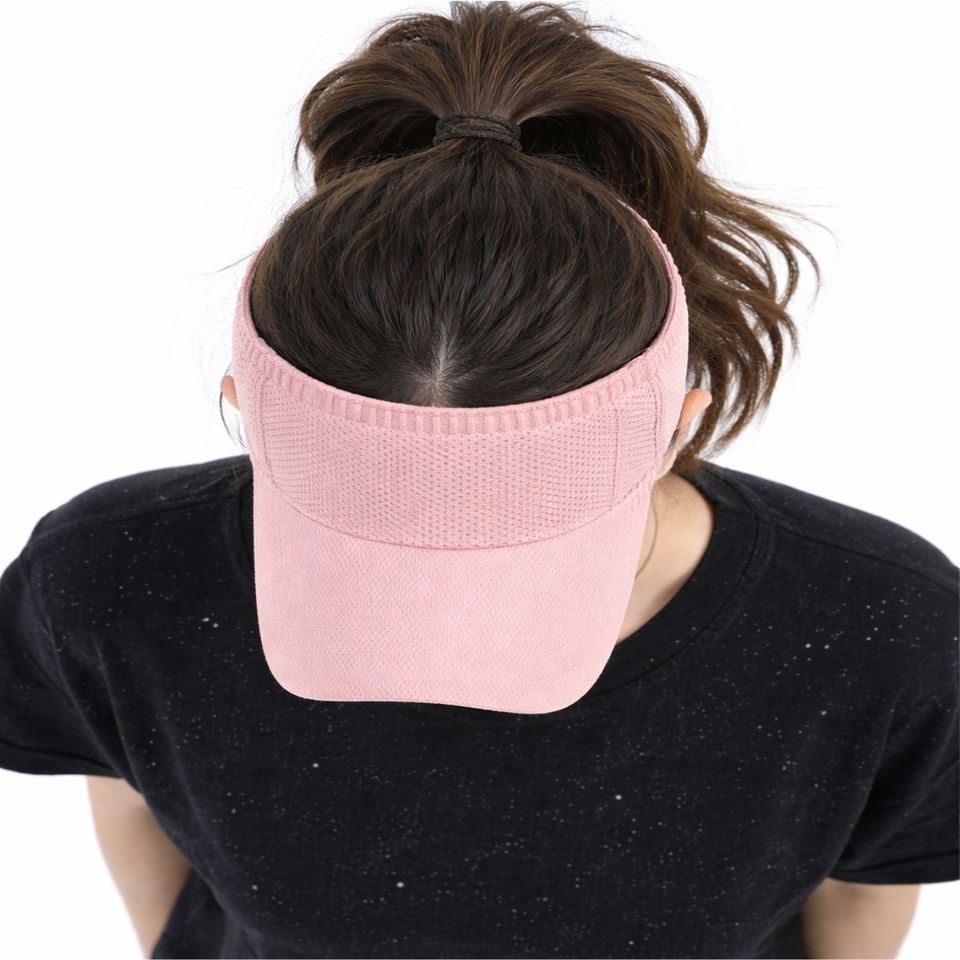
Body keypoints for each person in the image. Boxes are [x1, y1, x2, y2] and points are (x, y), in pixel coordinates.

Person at [1, 4, 956, 959]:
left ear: (679, 428)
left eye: (520, 521)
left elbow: (868, 891)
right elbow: (123, 784)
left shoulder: (882, 635)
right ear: (245, 412)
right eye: (377, 515)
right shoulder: (113, 580)